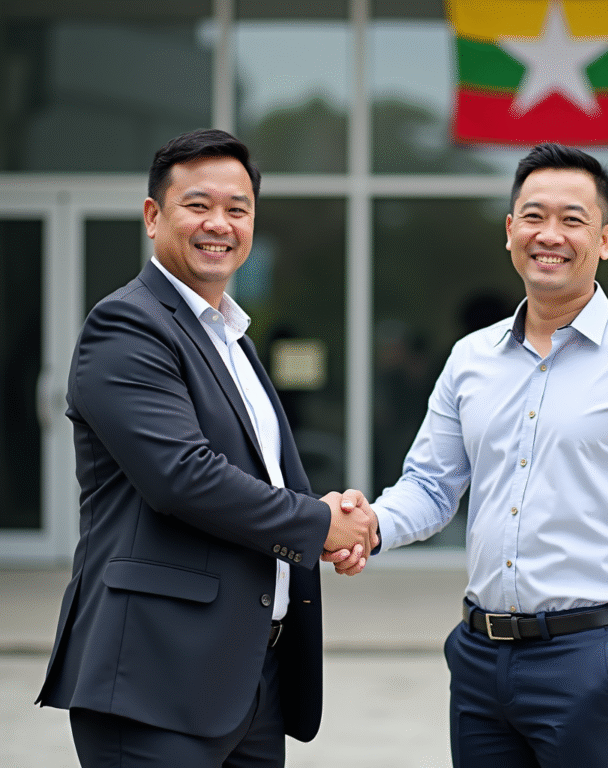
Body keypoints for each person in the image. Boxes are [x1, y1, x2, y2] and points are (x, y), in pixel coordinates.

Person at [328, 143, 608, 766]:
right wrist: (371, 524)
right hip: (478, 658)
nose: (552, 235)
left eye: (573, 219)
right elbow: (432, 485)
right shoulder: (471, 359)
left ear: (605, 239)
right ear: (511, 230)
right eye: (534, 216)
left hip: (591, 661)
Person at [36, 128, 377, 768]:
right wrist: (318, 525)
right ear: (152, 216)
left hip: (249, 676)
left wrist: (328, 515)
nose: (218, 224)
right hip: (155, 679)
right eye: (198, 205)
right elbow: (184, 478)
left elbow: (258, 472)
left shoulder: (233, 337)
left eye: (237, 209)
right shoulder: (127, 325)